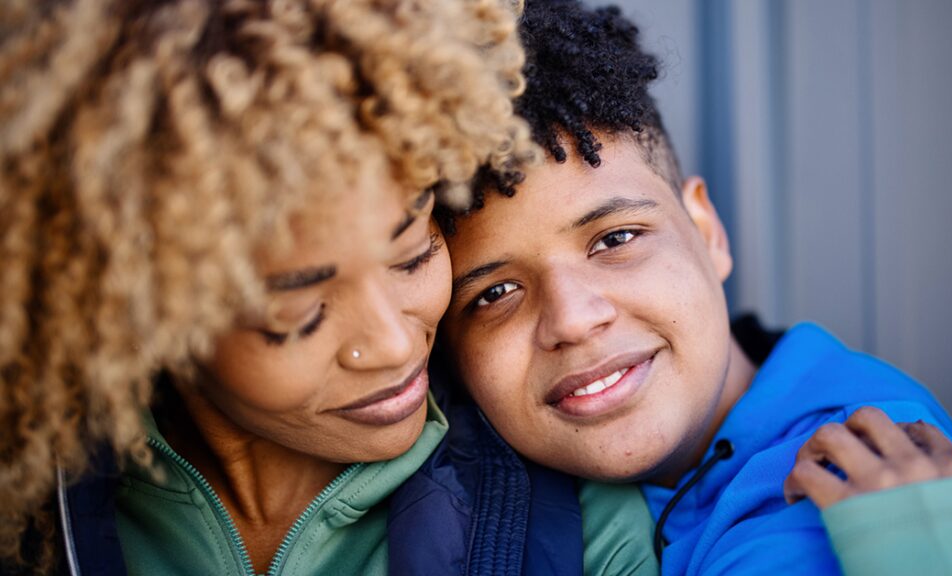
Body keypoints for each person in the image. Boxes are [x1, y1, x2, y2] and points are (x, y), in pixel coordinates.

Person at [0, 1, 657, 574]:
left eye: (412, 255)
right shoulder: (31, 512)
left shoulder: (576, 528)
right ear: (142, 305)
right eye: (300, 314)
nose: (396, 344)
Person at [436, 0, 952, 574]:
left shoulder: (853, 485)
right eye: (493, 294)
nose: (571, 318)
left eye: (615, 240)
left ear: (707, 229)